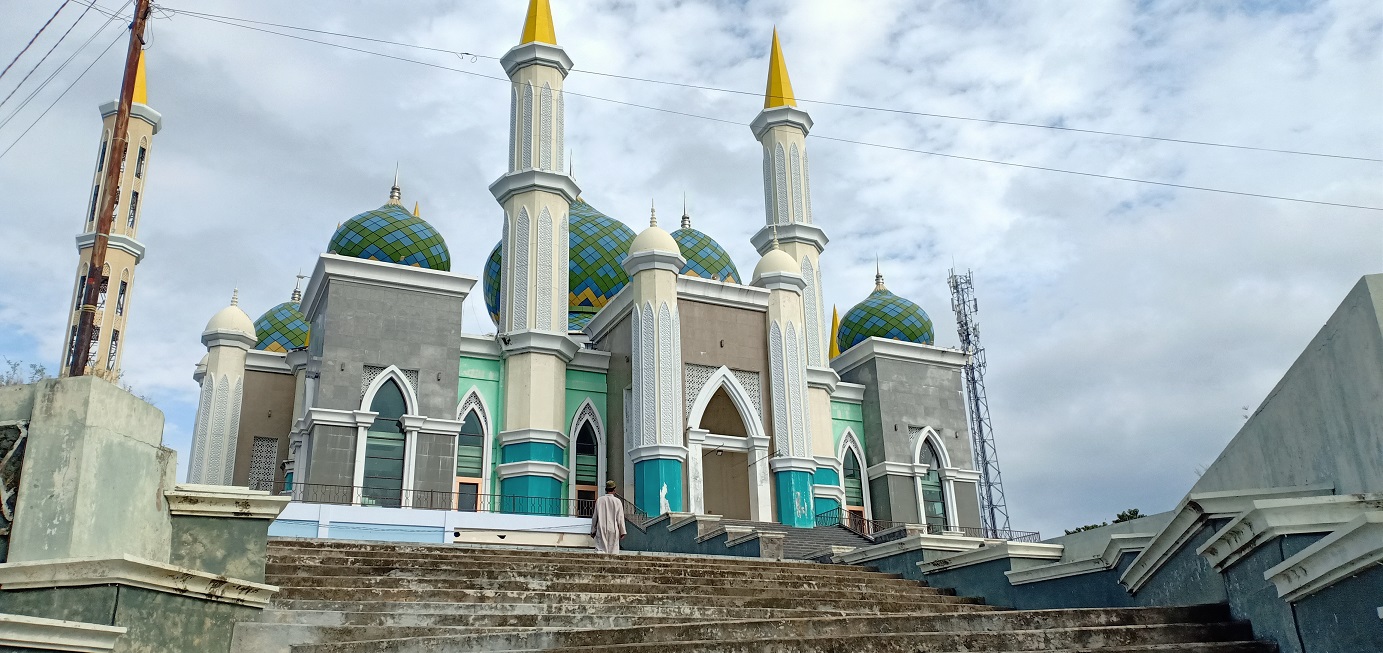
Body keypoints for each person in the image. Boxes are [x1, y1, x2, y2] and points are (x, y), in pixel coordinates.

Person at [591, 480, 626, 554]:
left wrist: (593, 530)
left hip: (601, 528)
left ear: (606, 489)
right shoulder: (617, 501)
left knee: (601, 550)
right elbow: (620, 518)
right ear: (614, 490)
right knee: (613, 552)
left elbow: (595, 517)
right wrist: (622, 531)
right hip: (613, 528)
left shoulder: (599, 500)